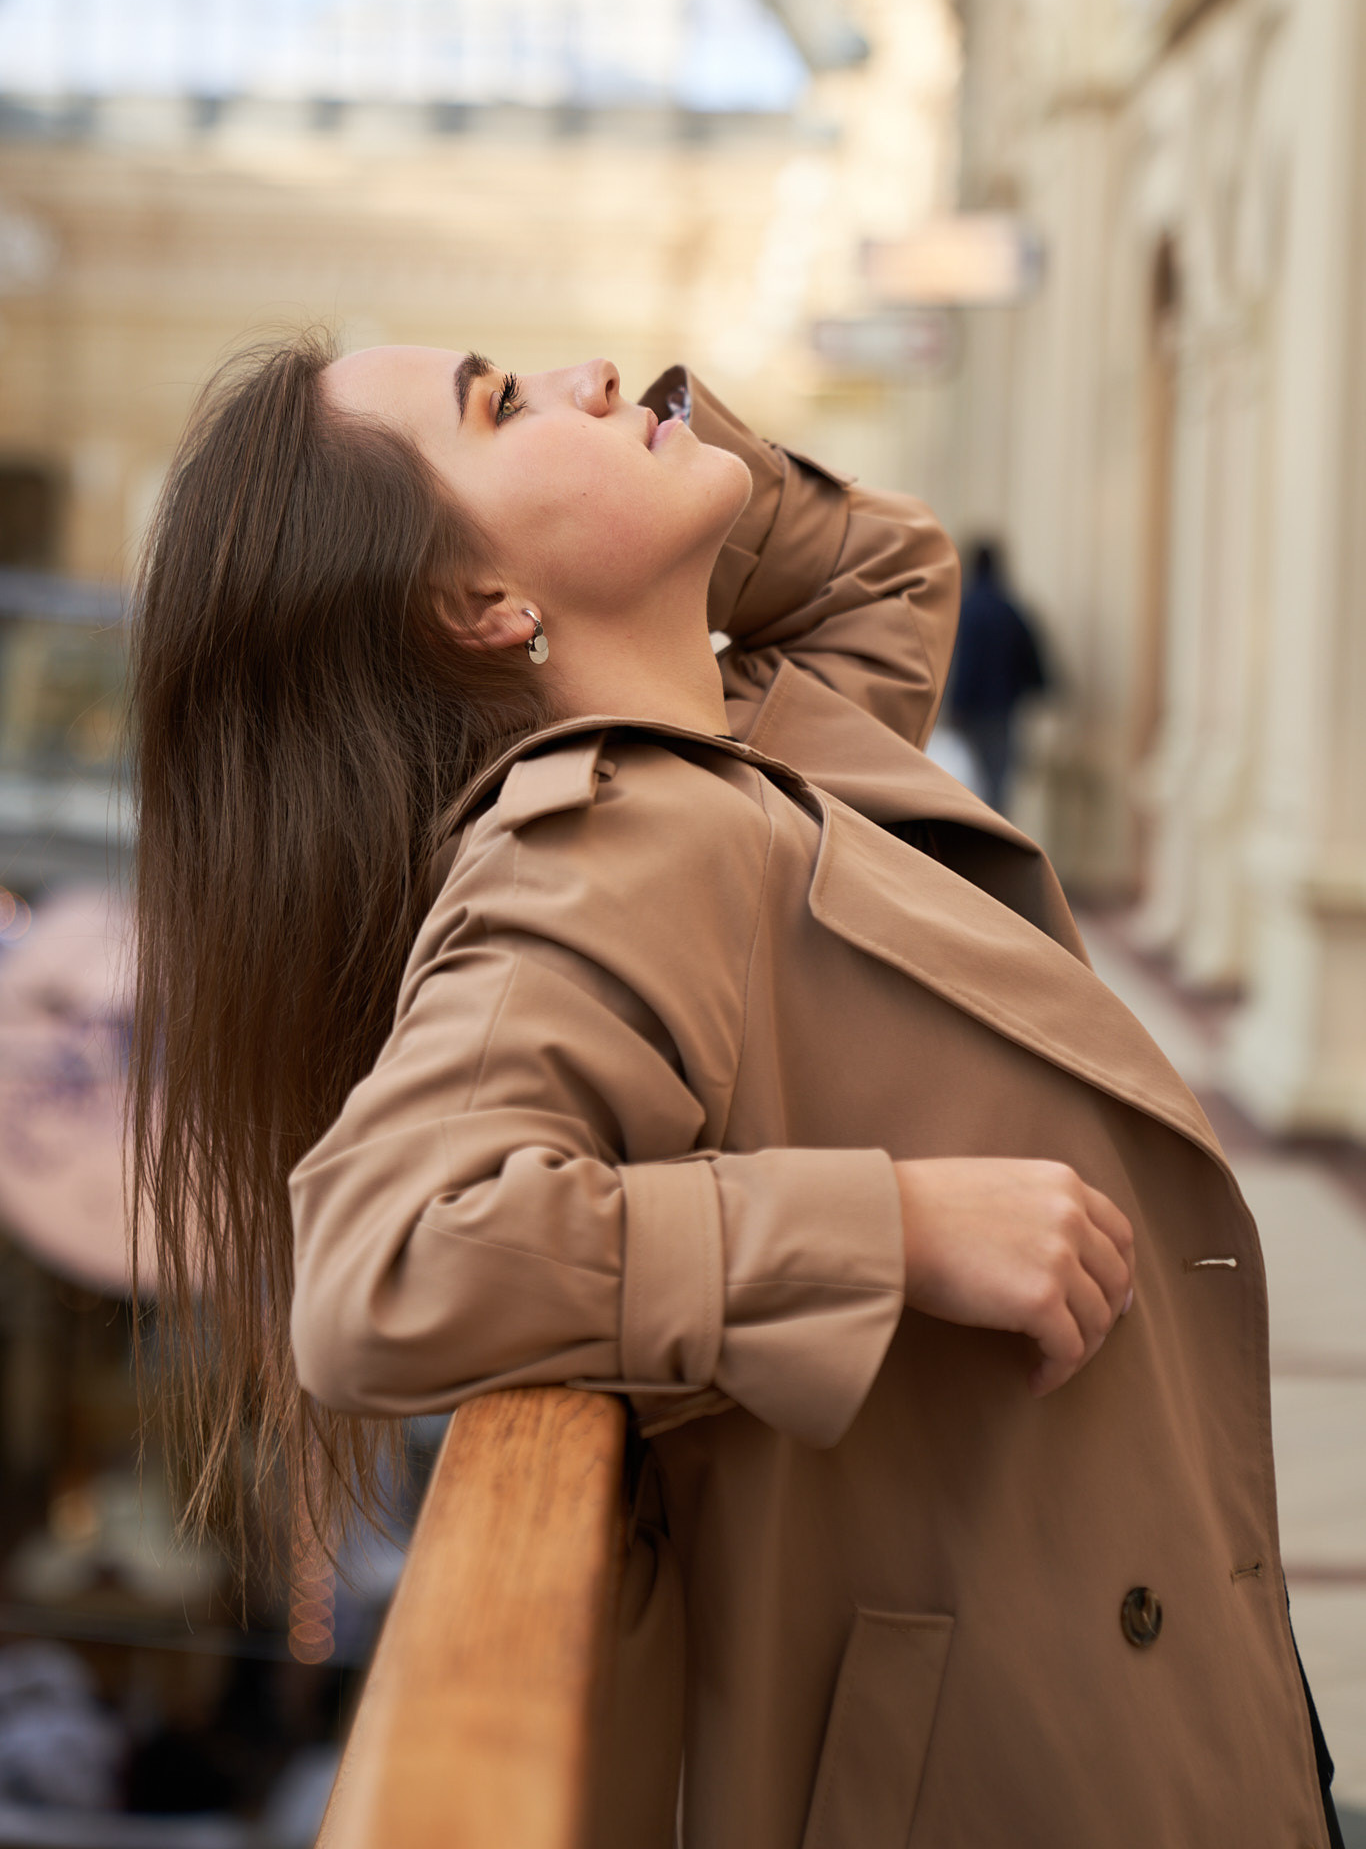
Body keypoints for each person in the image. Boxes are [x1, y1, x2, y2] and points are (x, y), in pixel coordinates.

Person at [128, 338, 1342, 1849]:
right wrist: (885, 1228)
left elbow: (882, 571)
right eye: (499, 401)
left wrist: (661, 462)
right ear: (480, 606)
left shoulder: (753, 732)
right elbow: (380, 1258)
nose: (589, 366)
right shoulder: (591, 859)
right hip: (1023, 1770)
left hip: (1131, 1701)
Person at [947, 538, 1048, 814]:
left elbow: (963, 663)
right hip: (1002, 710)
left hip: (971, 712)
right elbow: (1032, 657)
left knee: (968, 780)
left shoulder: (966, 608)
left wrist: (956, 705)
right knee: (997, 782)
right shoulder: (1009, 609)